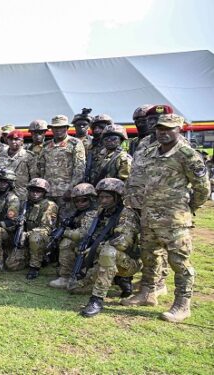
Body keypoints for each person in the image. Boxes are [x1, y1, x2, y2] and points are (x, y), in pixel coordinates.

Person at [122, 114, 210, 323]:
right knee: (150, 256)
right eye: (160, 128)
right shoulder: (151, 152)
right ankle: (147, 292)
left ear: (179, 129)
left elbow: (203, 188)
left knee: (179, 261)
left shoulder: (187, 155)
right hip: (150, 215)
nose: (163, 132)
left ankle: (182, 304)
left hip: (175, 219)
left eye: (169, 128)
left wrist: (187, 207)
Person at [69, 178, 141, 317]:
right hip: (104, 260)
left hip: (128, 262)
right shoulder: (102, 211)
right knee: (74, 288)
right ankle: (117, 280)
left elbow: (122, 242)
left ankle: (97, 300)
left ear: (118, 197)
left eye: (107, 197)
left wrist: (96, 247)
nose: (103, 200)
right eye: (101, 197)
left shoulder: (127, 214)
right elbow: (96, 233)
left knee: (108, 251)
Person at [47, 183, 99, 289]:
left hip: (95, 246)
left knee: (66, 242)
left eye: (84, 200)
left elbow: (81, 234)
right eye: (77, 201)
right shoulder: (79, 212)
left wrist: (64, 233)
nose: (80, 203)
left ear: (91, 199)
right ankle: (66, 275)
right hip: (87, 245)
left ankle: (67, 276)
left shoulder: (92, 213)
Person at [7, 178, 58, 279]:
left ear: (44, 193)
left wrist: (26, 234)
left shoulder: (49, 205)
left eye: (38, 191)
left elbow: (46, 228)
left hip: (42, 239)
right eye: (32, 190)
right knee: (11, 265)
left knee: (36, 237)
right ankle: (32, 257)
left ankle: (34, 267)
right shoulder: (25, 204)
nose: (35, 193)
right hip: (26, 239)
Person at [37, 115, 85, 216]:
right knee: (48, 221)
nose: (58, 130)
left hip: (66, 192)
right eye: (55, 128)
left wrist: (71, 189)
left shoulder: (75, 143)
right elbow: (41, 168)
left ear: (66, 128)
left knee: (65, 221)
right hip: (49, 192)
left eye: (61, 127)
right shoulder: (46, 146)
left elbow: (79, 168)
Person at [0, 130, 37, 201]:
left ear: (22, 142)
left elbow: (34, 177)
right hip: (2, 194)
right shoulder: (0, 155)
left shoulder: (29, 156)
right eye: (11, 139)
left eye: (16, 139)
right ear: (7, 140)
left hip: (21, 195)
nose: (13, 142)